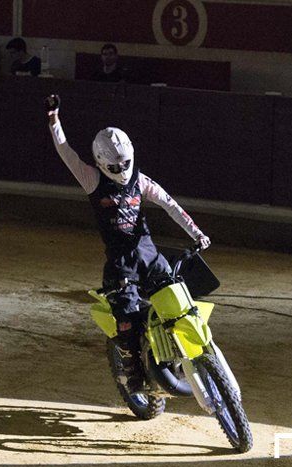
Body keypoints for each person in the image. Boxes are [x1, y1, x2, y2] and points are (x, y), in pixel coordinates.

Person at [44, 93, 211, 392]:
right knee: (127, 319)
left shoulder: (141, 179)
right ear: (101, 163)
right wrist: (54, 119)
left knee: (181, 293)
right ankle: (133, 370)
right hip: (121, 262)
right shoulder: (92, 179)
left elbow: (170, 205)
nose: (122, 171)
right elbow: (65, 152)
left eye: (126, 164)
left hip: (149, 254)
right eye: (116, 167)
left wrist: (196, 232)